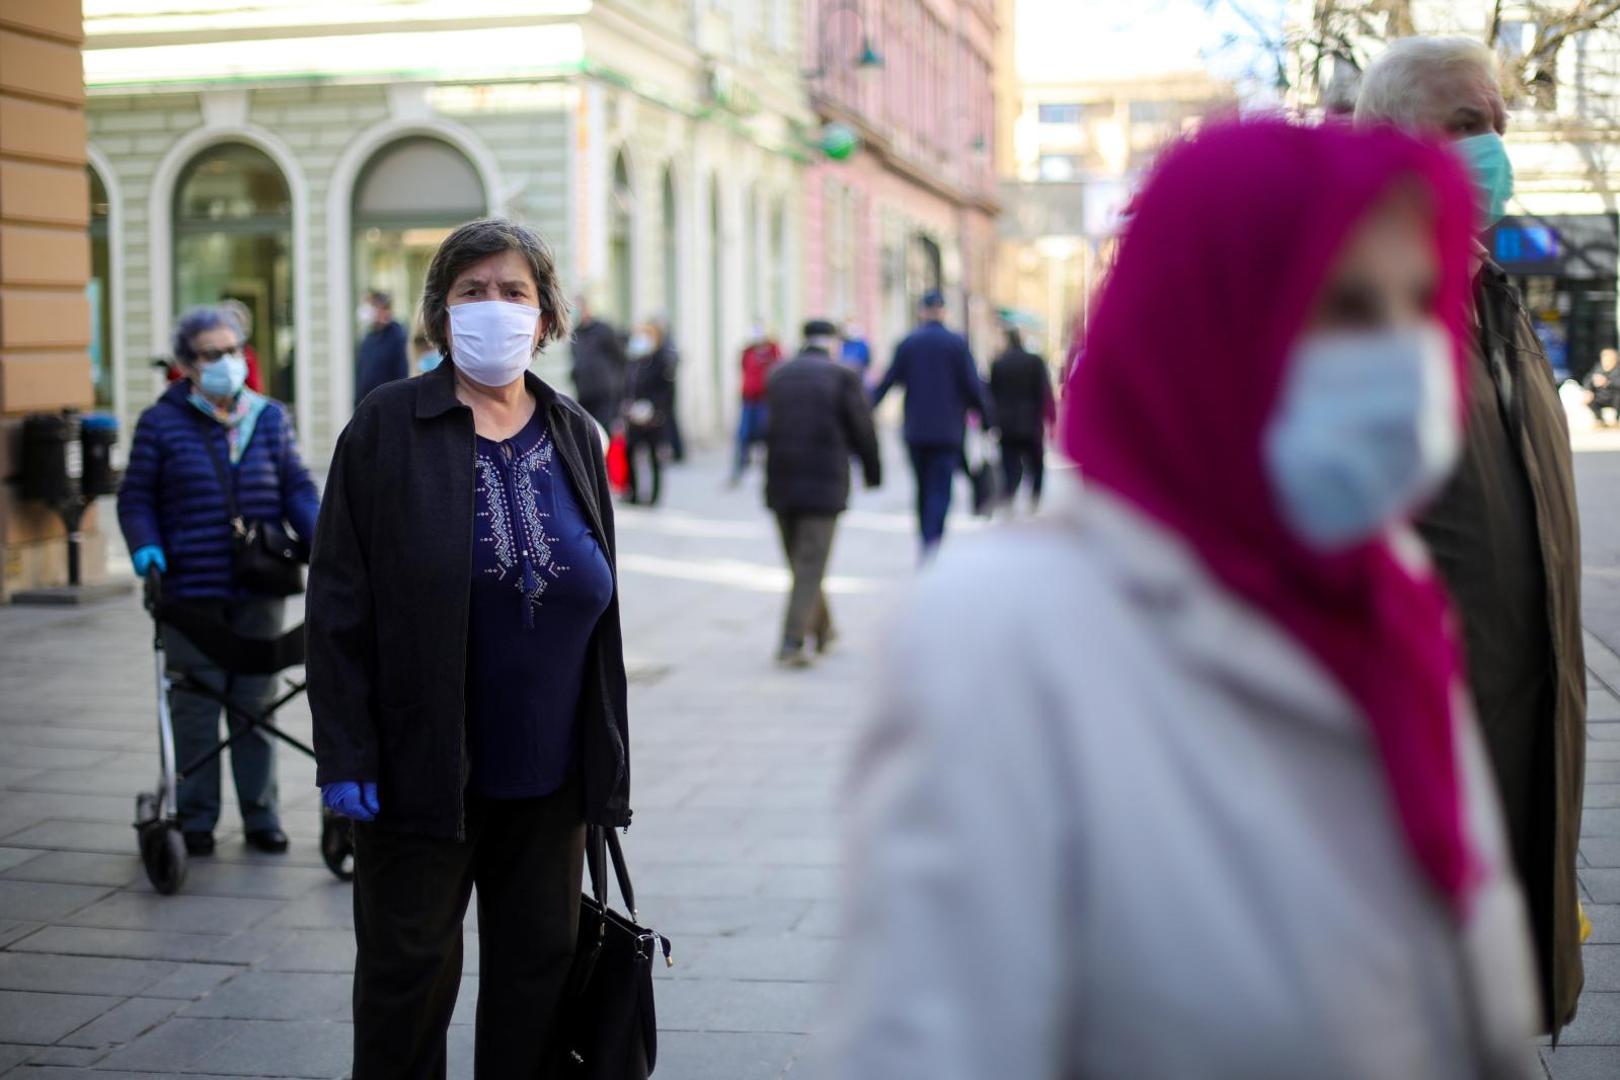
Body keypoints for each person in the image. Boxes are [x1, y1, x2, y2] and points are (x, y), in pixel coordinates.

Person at [832, 120, 1539, 1079]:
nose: (1403, 355)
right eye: (1344, 307)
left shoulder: (1387, 596)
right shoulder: (1002, 634)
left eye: (1419, 304)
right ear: (1208, 318)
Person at [307, 218, 630, 1077]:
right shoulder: (386, 428)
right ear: (440, 314)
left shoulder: (574, 434)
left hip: (553, 778)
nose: (494, 308)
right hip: (418, 773)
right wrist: (345, 753)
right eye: (471, 292)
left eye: (514, 292)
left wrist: (607, 761)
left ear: (548, 316)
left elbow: (597, 602)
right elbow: (336, 607)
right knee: (406, 987)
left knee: (536, 984)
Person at [1357, 36, 1586, 1035]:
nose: (1492, 148)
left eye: (1497, 126)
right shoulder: (1357, 302)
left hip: (1520, 745)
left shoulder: (1490, 294)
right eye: (1463, 128)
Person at [117, 305, 318, 857]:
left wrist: (326, 538)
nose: (226, 362)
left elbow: (297, 488)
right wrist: (146, 548)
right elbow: (136, 497)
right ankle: (198, 818)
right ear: (186, 364)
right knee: (196, 705)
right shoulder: (161, 422)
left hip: (261, 583)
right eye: (211, 354)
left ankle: (262, 817)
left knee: (255, 704)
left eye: (233, 351)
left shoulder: (270, 416)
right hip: (188, 589)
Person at [764, 319, 882, 668]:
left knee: (802, 564)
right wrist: (873, 472)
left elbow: (763, 425)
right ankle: (792, 641)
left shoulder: (779, 375)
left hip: (781, 482)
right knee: (809, 565)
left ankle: (825, 630)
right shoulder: (842, 376)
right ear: (832, 343)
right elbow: (863, 427)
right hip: (824, 485)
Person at [871, 290, 993, 553]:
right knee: (941, 485)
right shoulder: (957, 344)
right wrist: (986, 418)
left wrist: (866, 406)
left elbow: (889, 381)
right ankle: (934, 536)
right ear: (943, 311)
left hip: (915, 428)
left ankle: (926, 535)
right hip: (948, 430)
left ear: (922, 311)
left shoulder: (909, 343)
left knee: (923, 486)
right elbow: (972, 386)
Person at [988, 325, 1055, 511]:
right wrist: (1049, 419)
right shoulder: (1034, 361)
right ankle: (1035, 495)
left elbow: (991, 394)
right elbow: (1044, 392)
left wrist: (990, 421)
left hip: (1006, 422)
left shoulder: (999, 363)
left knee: (1009, 460)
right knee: (1035, 461)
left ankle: (1010, 493)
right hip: (1031, 420)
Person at [623, 319, 677, 506]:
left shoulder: (662, 360)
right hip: (633, 415)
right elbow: (628, 386)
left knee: (653, 455)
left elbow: (667, 390)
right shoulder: (635, 360)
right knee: (630, 452)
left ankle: (653, 496)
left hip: (653, 417)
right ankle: (634, 493)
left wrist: (658, 412)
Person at [731, 322, 782, 486]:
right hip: (749, 399)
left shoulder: (773, 352)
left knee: (766, 436)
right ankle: (738, 471)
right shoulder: (748, 352)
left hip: (765, 400)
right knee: (743, 436)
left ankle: (770, 471)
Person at [570, 296, 628, 429]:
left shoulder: (603, 329)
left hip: (604, 394)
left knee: (605, 431)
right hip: (585, 394)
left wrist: (617, 385)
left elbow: (620, 358)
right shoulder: (576, 334)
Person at [354, 290, 408, 405]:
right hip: (366, 405)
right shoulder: (368, 339)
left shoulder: (397, 337)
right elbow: (360, 375)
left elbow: (401, 375)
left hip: (387, 405)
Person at [1584, 347, 1619, 427]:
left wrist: (1607, 383)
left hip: (1615, 397)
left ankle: (1617, 420)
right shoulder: (1598, 369)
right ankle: (1600, 420)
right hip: (1601, 397)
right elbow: (1588, 379)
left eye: (1610, 360)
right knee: (1589, 399)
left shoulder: (1618, 370)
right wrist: (1588, 390)